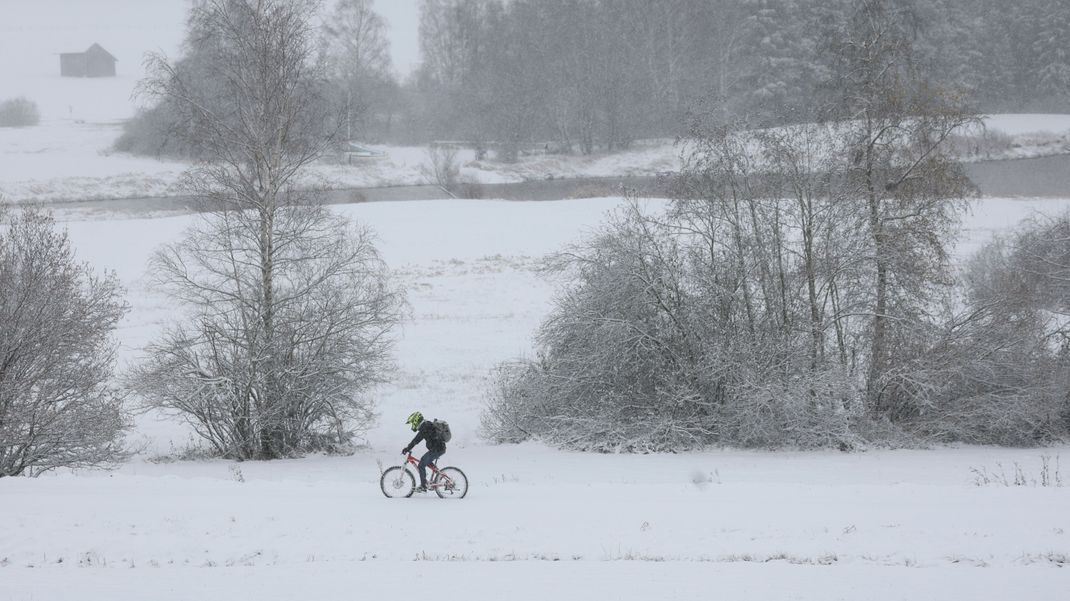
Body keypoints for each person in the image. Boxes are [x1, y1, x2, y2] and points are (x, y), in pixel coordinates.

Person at [402, 411, 446, 493]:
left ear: (416, 420)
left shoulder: (424, 427)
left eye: (412, 423)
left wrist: (407, 448)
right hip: (438, 449)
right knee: (426, 462)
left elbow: (416, 440)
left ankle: (423, 486)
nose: (412, 426)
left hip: (437, 449)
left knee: (421, 464)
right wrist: (408, 447)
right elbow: (417, 439)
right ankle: (438, 476)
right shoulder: (426, 425)